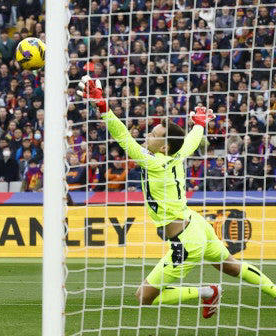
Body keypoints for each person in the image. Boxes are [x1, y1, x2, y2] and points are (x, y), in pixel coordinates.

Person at [78, 76, 276, 319]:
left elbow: (123, 137)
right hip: (197, 225)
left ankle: (208, 291)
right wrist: (200, 123)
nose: (147, 135)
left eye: (153, 134)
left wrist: (102, 105)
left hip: (186, 242)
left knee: (144, 296)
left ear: (163, 147)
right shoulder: (179, 151)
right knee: (233, 267)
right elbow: (192, 139)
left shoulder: (153, 162)